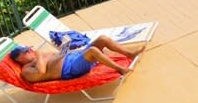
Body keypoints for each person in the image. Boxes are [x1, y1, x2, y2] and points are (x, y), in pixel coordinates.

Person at [8, 35, 144, 83]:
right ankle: (120, 69)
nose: (30, 51)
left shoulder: (38, 57)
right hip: (71, 69)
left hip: (75, 57)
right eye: (26, 51)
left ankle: (129, 54)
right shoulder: (26, 70)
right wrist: (39, 56)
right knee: (92, 51)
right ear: (19, 59)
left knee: (102, 39)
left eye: (28, 49)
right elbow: (42, 72)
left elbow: (57, 55)